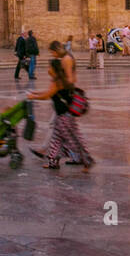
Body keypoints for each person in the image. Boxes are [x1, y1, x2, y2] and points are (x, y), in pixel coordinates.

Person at [29, 41, 92, 170]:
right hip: (61, 115)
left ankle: (86, 160)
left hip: (64, 116)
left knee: (73, 140)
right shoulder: (57, 80)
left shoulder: (58, 81)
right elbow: (48, 92)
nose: (47, 70)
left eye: (49, 68)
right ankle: (53, 162)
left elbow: (47, 95)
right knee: (57, 139)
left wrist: (34, 96)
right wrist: (36, 93)